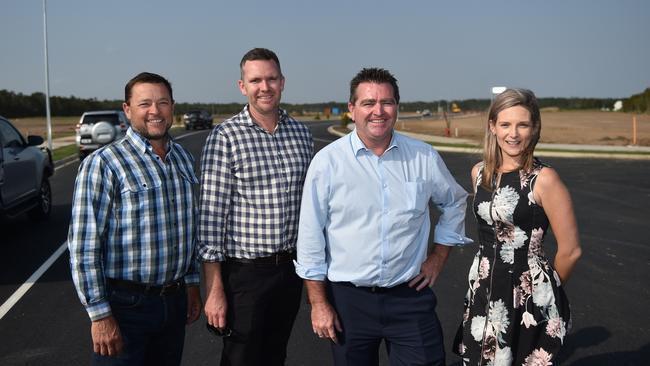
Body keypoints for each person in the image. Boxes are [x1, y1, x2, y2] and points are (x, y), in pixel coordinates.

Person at [295, 67, 472, 366]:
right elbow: (310, 237)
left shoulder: (423, 157)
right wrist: (319, 303)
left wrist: (438, 257)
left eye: (386, 102)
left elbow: (454, 201)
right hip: (349, 302)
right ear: (352, 109)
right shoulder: (327, 163)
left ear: (396, 107)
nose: (378, 111)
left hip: (409, 298)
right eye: (368, 103)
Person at [67, 72, 202, 365]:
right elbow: (84, 247)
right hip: (126, 307)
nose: (155, 111)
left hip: (174, 301)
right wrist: (100, 315)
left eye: (163, 102)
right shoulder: (103, 164)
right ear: (127, 109)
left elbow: (188, 228)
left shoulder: (182, 158)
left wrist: (192, 284)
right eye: (145, 104)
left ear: (172, 107)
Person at [198, 47, 313, 366]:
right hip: (244, 275)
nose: (265, 86)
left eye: (271, 78)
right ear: (242, 86)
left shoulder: (301, 135)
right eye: (256, 80)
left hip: (289, 271)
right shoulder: (225, 137)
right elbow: (211, 221)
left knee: (275, 354)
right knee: (241, 357)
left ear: (283, 82)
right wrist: (214, 289)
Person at [453, 88, 582, 365]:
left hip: (528, 296)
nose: (513, 134)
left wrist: (543, 292)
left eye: (522, 124)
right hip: (484, 289)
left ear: (534, 128)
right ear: (492, 127)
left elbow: (571, 251)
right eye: (505, 124)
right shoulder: (479, 174)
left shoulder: (544, 179)